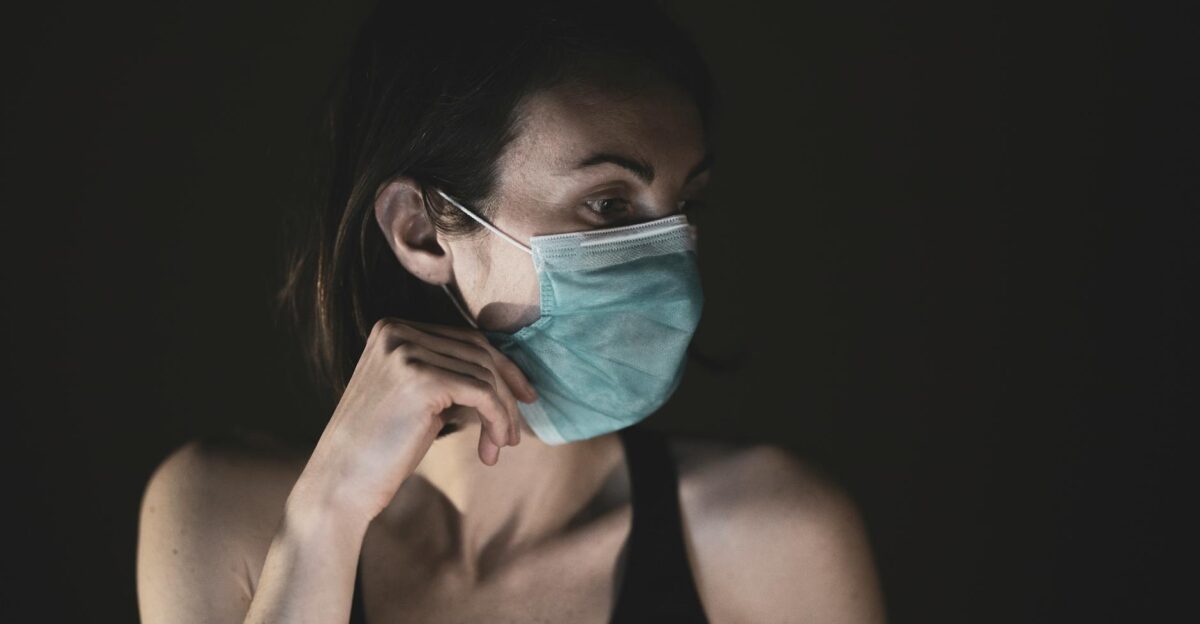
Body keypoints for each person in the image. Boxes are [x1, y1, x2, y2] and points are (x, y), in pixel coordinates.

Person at [135, 1, 886, 622]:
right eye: (609, 204)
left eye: (683, 205)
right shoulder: (222, 514)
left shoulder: (770, 536)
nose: (670, 264)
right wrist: (325, 519)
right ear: (422, 231)